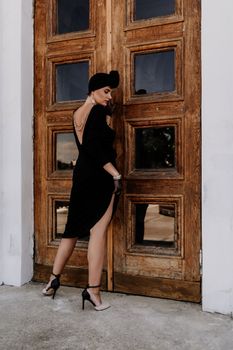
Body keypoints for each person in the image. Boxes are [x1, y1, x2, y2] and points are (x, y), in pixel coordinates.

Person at [42, 71, 121, 311]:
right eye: (106, 91)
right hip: (99, 178)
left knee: (71, 231)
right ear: (94, 90)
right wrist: (115, 173)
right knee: (97, 233)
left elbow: (86, 147)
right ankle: (93, 291)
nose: (109, 96)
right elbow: (96, 149)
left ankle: (52, 281)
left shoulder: (77, 113)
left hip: (82, 178)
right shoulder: (96, 112)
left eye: (110, 92)